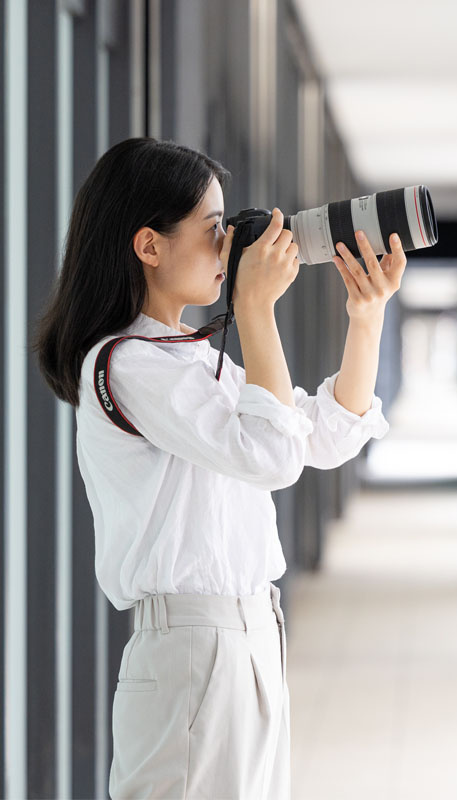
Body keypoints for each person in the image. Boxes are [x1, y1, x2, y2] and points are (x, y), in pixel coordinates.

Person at [31, 136, 406, 799]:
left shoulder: (189, 358)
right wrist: (256, 309)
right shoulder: (125, 362)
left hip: (249, 636)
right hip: (193, 649)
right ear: (149, 245)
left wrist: (365, 319)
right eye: (212, 232)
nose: (227, 251)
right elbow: (270, 457)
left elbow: (316, 436)